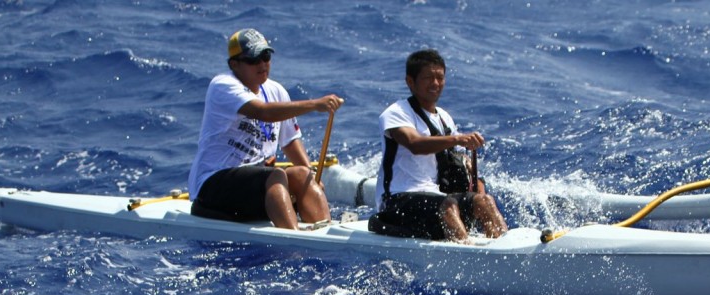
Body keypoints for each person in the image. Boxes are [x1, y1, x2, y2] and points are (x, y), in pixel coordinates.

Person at [188, 28, 344, 229]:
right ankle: (292, 240)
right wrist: (315, 104)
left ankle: (326, 233)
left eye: (265, 56)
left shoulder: (276, 90)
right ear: (234, 64)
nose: (262, 64)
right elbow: (263, 112)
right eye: (253, 60)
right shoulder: (222, 85)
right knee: (276, 174)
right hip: (211, 188)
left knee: (301, 174)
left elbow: (290, 141)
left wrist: (311, 176)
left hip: (252, 187)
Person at [370, 49, 508, 243]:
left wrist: (476, 188)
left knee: (483, 201)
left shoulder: (444, 118)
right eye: (428, 78)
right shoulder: (396, 113)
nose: (435, 83)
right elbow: (415, 144)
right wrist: (458, 139)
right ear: (410, 81)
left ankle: (505, 248)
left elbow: (461, 159)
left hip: (435, 198)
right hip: (396, 201)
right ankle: (466, 255)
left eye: (440, 78)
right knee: (448, 204)